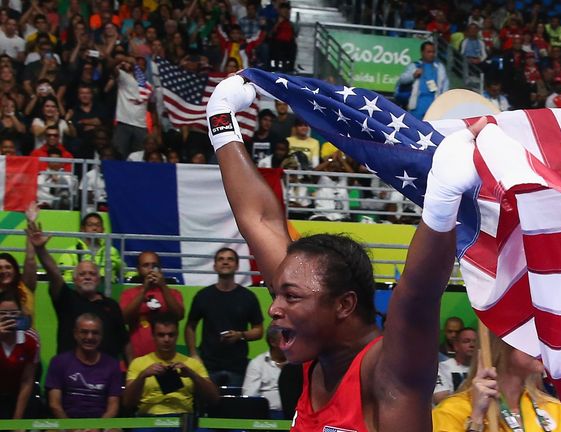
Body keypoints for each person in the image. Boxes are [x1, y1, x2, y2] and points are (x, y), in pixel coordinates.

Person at [207, 73, 487, 430]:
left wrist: (443, 201)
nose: (275, 308)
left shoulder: (387, 371)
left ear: (343, 305)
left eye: (290, 297)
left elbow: (417, 297)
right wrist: (221, 122)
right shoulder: (318, 347)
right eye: (278, 294)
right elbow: (259, 220)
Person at [432, 331, 561, 431]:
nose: (544, 345)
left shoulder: (555, 410)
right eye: (533, 337)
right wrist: (476, 419)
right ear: (503, 342)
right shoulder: (451, 412)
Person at [27, 220, 129, 360]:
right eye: (82, 274)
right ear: (74, 280)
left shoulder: (111, 305)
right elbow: (54, 273)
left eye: (92, 274)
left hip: (104, 373)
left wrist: (132, 374)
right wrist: (41, 250)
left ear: (99, 279)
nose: (87, 277)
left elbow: (124, 341)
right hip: (69, 372)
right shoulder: (66, 299)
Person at [185, 247, 264, 387]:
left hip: (237, 367)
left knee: (234, 408)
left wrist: (240, 335)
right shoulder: (203, 296)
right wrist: (193, 354)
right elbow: (190, 327)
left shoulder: (248, 297)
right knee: (206, 408)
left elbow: (259, 330)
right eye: (221, 259)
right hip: (208, 366)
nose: (225, 262)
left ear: (237, 265)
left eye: (230, 259)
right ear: (215, 266)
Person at [124, 313, 219, 419]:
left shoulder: (192, 363)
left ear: (177, 335)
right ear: (153, 336)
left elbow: (214, 398)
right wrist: (142, 376)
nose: (166, 339)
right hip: (149, 419)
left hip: (183, 419)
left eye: (171, 335)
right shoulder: (138, 363)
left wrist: (192, 375)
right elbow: (127, 403)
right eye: (161, 335)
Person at [45, 313, 122, 419]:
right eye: (84, 332)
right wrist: (71, 428)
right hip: (65, 424)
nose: (89, 337)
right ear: (75, 334)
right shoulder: (59, 362)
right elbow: (54, 405)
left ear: (101, 336)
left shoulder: (112, 364)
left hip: (101, 424)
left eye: (95, 333)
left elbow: (113, 407)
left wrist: (97, 428)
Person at [119, 251, 184, 358]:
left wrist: (163, 286)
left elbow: (179, 315)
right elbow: (123, 319)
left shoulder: (173, 293)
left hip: (166, 359)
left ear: (160, 269)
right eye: (146, 265)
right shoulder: (129, 294)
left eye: (155, 266)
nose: (150, 269)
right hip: (136, 358)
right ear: (138, 269)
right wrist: (144, 289)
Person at [0, 293, 38, 420]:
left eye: (13, 313)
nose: (8, 318)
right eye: (3, 314)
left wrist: (18, 420)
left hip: (20, 393)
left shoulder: (31, 339)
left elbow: (27, 380)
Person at [58, 213, 125, 283]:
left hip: (107, 292)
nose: (94, 228)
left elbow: (125, 272)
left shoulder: (112, 251)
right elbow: (64, 278)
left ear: (103, 230)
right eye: (90, 225)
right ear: (82, 229)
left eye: (98, 225)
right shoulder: (71, 252)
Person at [398, 41, 449, 119]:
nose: (431, 54)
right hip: (417, 105)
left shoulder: (439, 67)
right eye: (429, 52)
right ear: (422, 52)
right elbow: (402, 80)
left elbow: (445, 85)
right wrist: (413, 75)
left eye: (433, 52)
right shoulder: (414, 65)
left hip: (434, 106)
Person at [242, 327, 286, 419]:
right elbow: (250, 397)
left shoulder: (298, 363)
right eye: (285, 339)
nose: (290, 343)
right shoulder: (257, 364)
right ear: (272, 342)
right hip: (266, 415)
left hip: (295, 413)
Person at [434, 327, 477, 404]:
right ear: (456, 346)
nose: (472, 345)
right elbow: (440, 400)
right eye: (466, 341)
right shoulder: (441, 368)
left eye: (475, 342)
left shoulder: (485, 368)